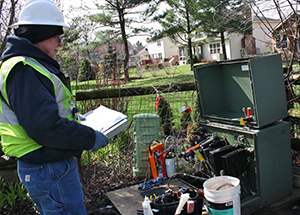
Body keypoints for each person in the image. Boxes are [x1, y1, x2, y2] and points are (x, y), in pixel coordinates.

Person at [0, 0, 110, 214]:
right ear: (41, 34)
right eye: (58, 37)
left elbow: (45, 116)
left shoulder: (27, 65)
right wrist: (90, 137)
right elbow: (45, 127)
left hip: (45, 165)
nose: (60, 44)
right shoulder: (24, 69)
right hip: (48, 166)